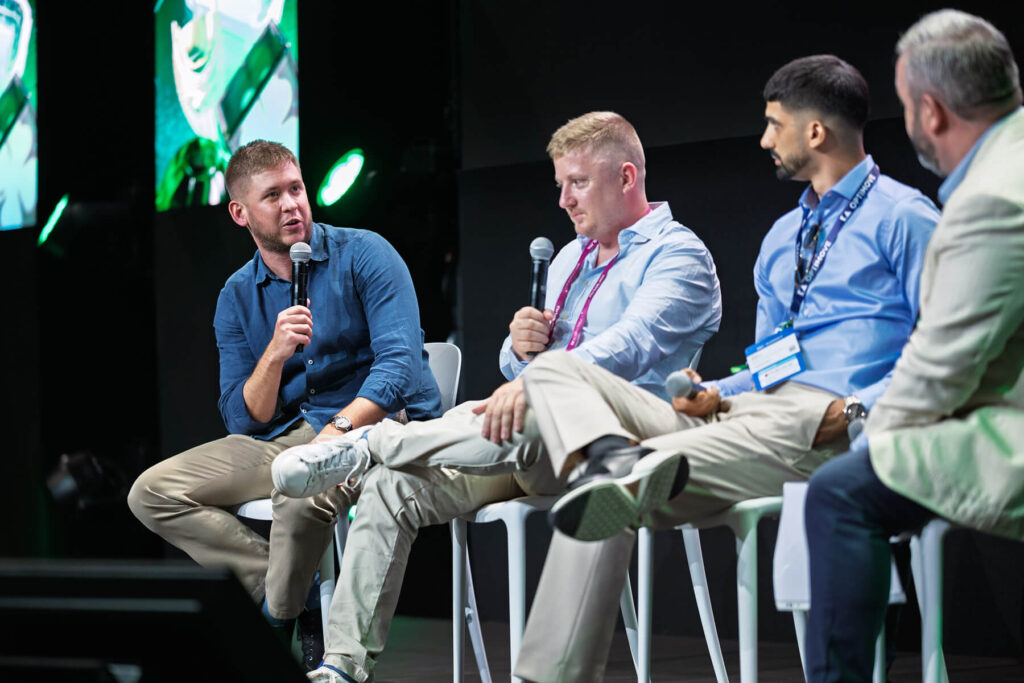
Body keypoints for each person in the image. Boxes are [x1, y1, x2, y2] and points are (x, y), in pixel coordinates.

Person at [511, 56, 942, 682]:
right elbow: (773, 359)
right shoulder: (782, 238)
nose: (765, 139)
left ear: (815, 132)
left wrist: (859, 409)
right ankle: (615, 459)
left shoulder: (906, 220)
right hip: (756, 412)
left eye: (774, 124)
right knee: (556, 379)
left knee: (613, 490)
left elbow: (942, 350)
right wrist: (718, 389)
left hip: (837, 423)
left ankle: (547, 671)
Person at [285, 111, 723, 683]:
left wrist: (537, 378)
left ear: (626, 177)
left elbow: (630, 345)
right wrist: (519, 350)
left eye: (578, 182)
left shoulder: (679, 255)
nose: (564, 200)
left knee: (540, 400)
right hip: (523, 446)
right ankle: (341, 665)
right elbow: (521, 371)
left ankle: (374, 440)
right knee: (395, 487)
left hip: (612, 452)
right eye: (560, 184)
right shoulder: (570, 258)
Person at [127, 140, 443, 669]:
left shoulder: (364, 253)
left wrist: (337, 430)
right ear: (240, 213)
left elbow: (401, 366)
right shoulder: (236, 295)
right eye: (272, 195)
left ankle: (271, 630)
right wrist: (274, 354)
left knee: (295, 498)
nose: (292, 204)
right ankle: (292, 593)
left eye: (295, 188)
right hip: (290, 435)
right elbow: (241, 416)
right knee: (152, 493)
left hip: (377, 423)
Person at [804, 11, 1024, 681]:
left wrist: (872, 434)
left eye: (902, 107)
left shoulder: (987, 200)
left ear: (930, 111)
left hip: (978, 416)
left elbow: (939, 370)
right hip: (819, 399)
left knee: (840, 490)